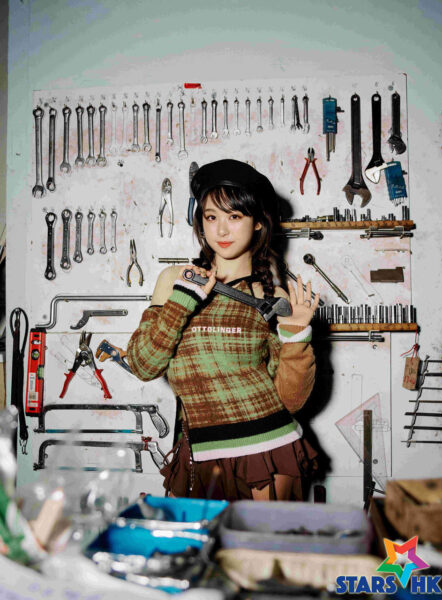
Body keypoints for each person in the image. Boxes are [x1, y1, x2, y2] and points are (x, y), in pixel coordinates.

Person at [127, 159, 320, 501]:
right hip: (198, 452)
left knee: (264, 540)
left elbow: (290, 401)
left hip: (267, 450)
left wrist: (297, 337)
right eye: (211, 217)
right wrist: (183, 300)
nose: (221, 231)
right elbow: (143, 365)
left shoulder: (272, 297)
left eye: (234, 216)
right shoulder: (174, 280)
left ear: (258, 222)